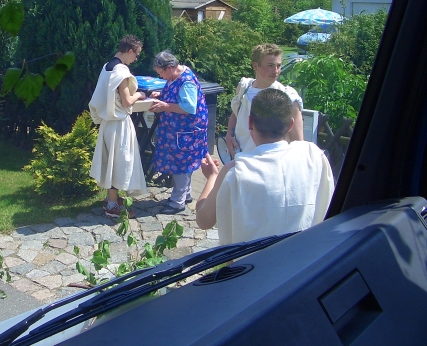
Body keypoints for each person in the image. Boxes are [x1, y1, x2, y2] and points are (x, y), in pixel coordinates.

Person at [196, 89, 335, 244]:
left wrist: (212, 177)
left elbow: (203, 220)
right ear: (290, 124)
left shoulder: (235, 171)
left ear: (250, 123)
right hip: (305, 255)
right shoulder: (314, 155)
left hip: (252, 260)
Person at [89, 35, 147, 219]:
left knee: (111, 162)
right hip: (119, 124)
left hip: (108, 123)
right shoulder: (121, 71)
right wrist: (140, 95)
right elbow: (127, 100)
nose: (136, 59)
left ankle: (111, 199)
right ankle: (112, 206)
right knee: (119, 163)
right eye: (136, 55)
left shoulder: (107, 66)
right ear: (129, 51)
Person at [149, 50, 209, 215]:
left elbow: (189, 107)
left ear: (169, 68)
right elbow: (176, 95)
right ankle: (186, 195)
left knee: (181, 164)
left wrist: (165, 106)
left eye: (161, 73)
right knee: (184, 163)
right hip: (180, 130)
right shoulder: (176, 76)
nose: (161, 77)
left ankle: (177, 202)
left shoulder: (186, 82)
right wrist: (161, 94)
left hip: (186, 131)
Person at [225, 43, 303, 159]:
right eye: (270, 65)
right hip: (240, 158)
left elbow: (298, 143)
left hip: (271, 162)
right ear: (255, 66)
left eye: (278, 65)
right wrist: (229, 135)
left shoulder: (287, 96)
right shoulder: (244, 87)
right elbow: (236, 113)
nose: (275, 71)